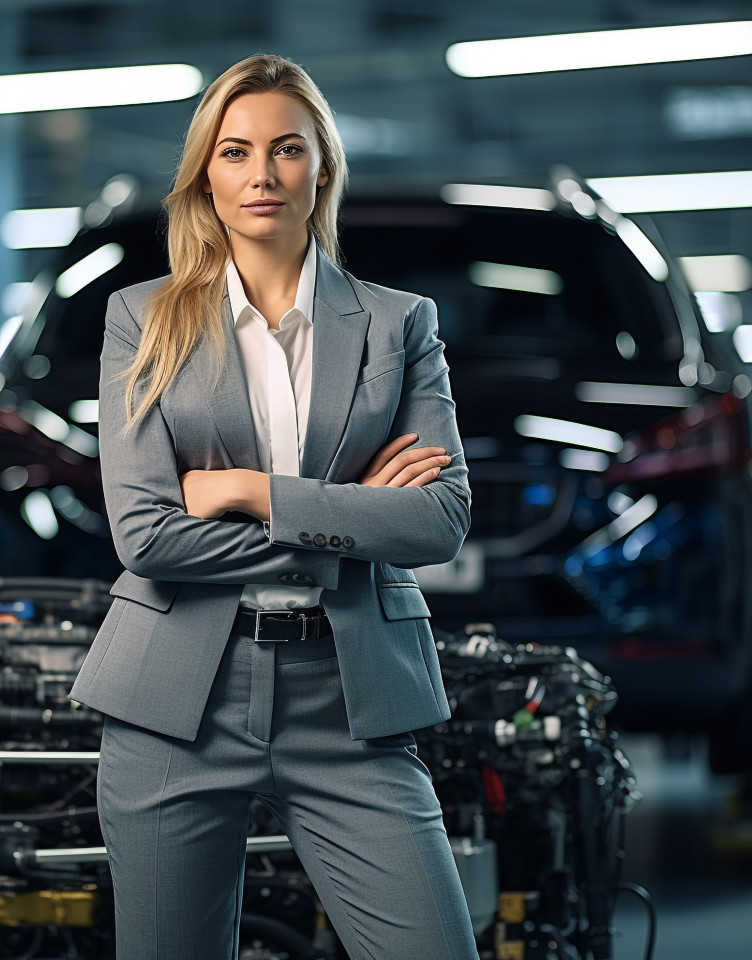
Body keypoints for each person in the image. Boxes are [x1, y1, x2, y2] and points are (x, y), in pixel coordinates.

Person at [69, 52, 478, 960]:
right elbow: (145, 536)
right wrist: (347, 520)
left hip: (351, 697)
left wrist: (253, 494)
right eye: (235, 152)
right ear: (205, 174)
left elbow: (439, 520)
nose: (261, 175)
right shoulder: (143, 318)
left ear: (321, 166)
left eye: (286, 150)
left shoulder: (398, 324)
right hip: (175, 699)